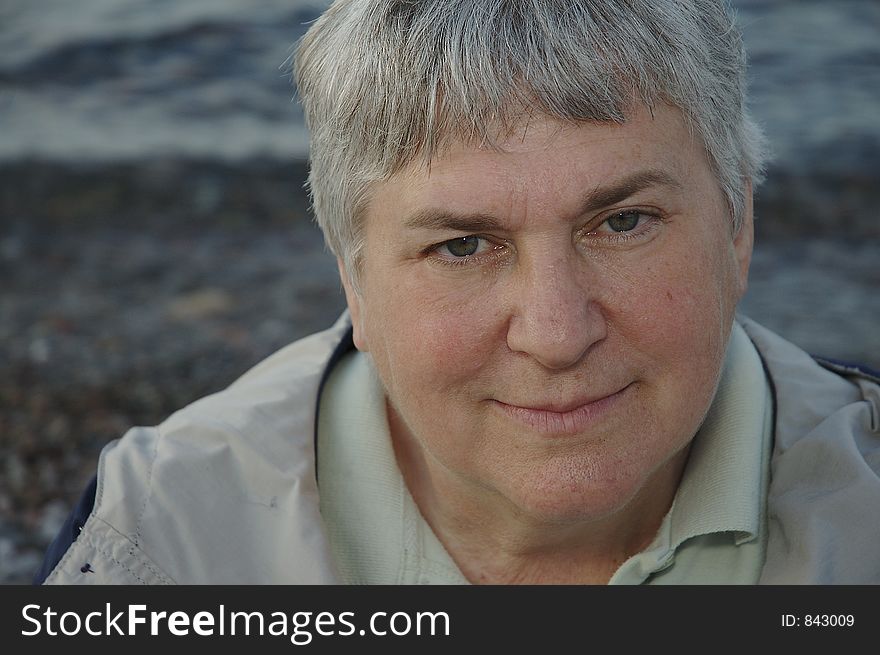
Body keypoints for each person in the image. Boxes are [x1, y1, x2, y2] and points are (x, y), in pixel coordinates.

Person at [37, 0, 879, 585]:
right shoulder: (164, 541)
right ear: (353, 276)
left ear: (738, 227)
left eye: (622, 222)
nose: (555, 332)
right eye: (464, 244)